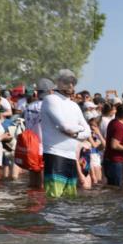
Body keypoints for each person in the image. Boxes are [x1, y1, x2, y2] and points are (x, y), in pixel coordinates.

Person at [40, 70, 90, 198]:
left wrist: (74, 134)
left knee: (69, 199)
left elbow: (88, 131)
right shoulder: (50, 99)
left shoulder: (74, 105)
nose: (71, 85)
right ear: (59, 83)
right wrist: (79, 129)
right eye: (67, 82)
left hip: (71, 156)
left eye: (73, 82)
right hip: (55, 153)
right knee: (53, 198)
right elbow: (64, 126)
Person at [103, 103, 123, 186]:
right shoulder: (119, 126)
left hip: (110, 160)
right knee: (116, 189)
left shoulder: (113, 122)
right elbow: (114, 145)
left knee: (112, 188)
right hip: (115, 161)